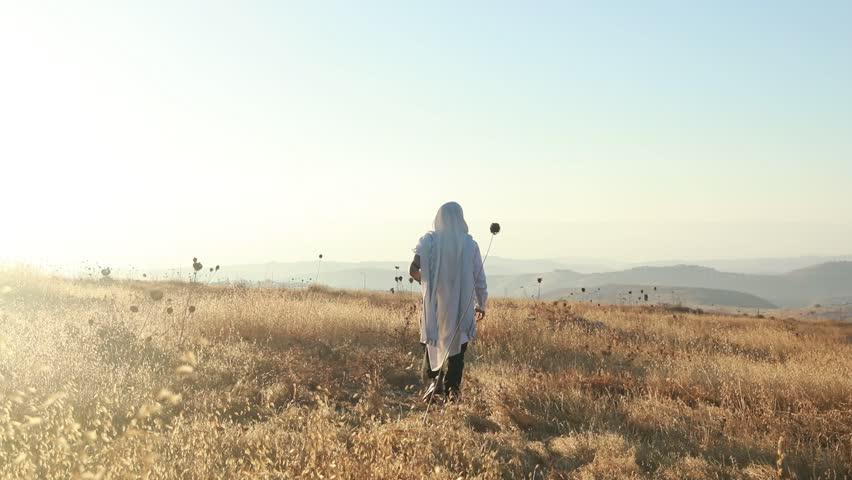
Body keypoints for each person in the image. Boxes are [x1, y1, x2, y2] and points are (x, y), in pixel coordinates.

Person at [410, 202, 487, 403]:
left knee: (431, 342)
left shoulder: (429, 242)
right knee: (458, 348)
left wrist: (430, 283)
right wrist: (482, 303)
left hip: (435, 304)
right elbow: (479, 278)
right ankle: (453, 392)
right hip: (462, 305)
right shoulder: (470, 244)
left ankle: (435, 382)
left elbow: (413, 270)